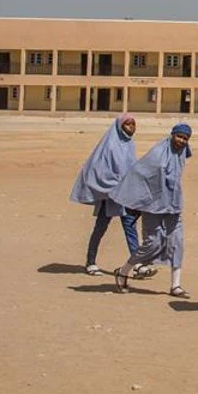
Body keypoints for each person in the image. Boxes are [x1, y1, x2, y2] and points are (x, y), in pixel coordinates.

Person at [112, 124, 192, 296]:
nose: (181, 141)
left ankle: (175, 285)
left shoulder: (182, 152)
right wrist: (137, 200)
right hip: (152, 205)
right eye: (179, 137)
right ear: (172, 135)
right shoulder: (157, 154)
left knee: (176, 242)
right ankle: (124, 271)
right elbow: (139, 173)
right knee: (153, 243)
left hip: (173, 204)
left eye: (185, 139)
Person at [70, 114, 144, 277]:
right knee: (100, 228)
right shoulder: (110, 146)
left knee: (130, 227)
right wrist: (115, 187)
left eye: (133, 124)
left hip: (125, 195)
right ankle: (90, 262)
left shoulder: (129, 144)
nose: (131, 127)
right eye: (127, 124)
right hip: (110, 196)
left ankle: (137, 264)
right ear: (120, 126)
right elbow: (100, 171)